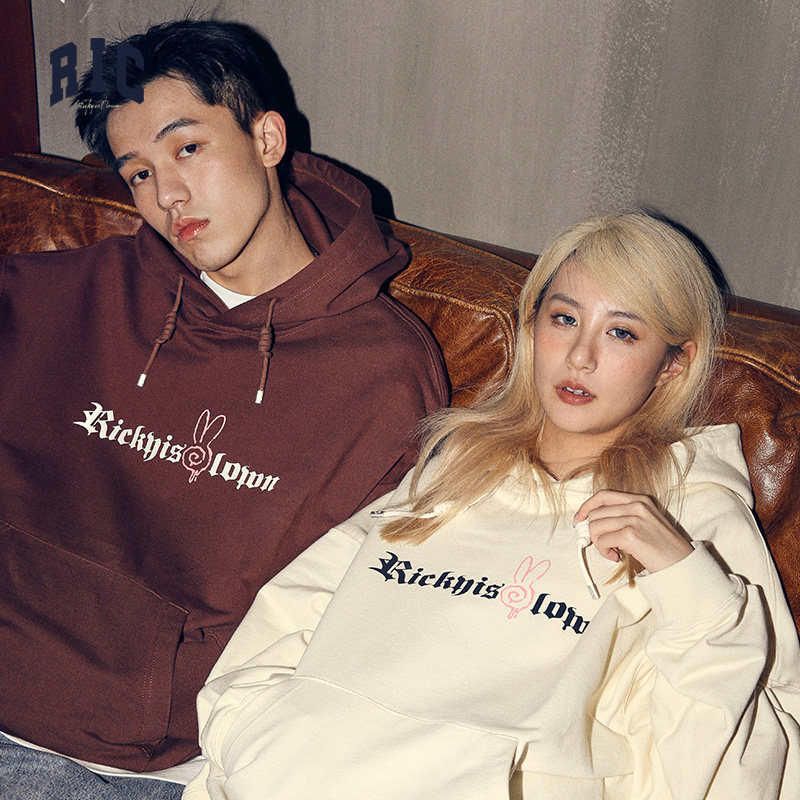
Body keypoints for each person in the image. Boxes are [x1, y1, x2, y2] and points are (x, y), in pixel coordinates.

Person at [183, 210, 800, 800]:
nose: (580, 357)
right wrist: (252, 740)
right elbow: (290, 616)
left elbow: (749, 752)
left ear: (673, 364)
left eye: (621, 332)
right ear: (532, 328)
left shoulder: (692, 510)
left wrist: (687, 580)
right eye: (564, 319)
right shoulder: (457, 463)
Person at [0, 18, 447, 799]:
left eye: (187, 149)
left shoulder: (384, 374)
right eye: (139, 173)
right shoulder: (69, 294)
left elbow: (369, 611)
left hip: (142, 767)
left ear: (266, 138)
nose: (167, 195)